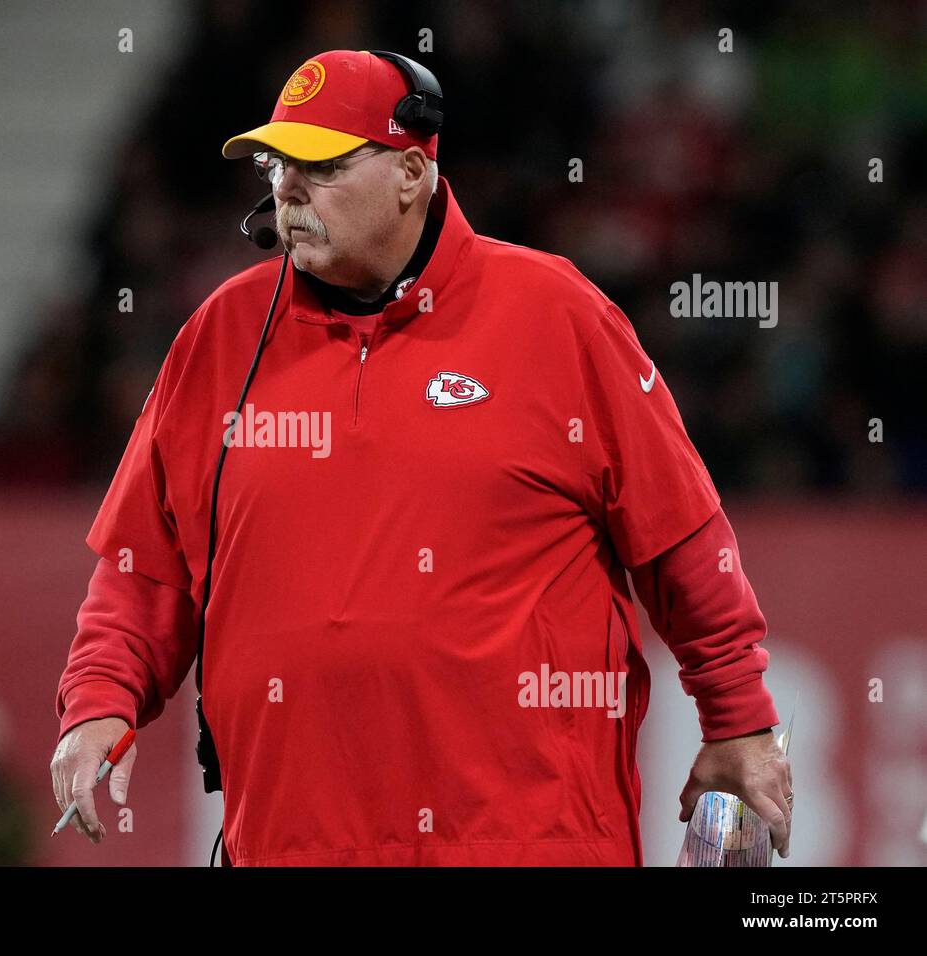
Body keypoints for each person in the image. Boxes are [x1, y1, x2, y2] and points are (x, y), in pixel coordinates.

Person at [50, 49, 791, 866]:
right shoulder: (222, 337)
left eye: (320, 165)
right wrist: (98, 702)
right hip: (293, 841)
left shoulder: (556, 315)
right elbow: (142, 565)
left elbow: (682, 537)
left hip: (522, 843)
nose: (288, 189)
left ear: (410, 172)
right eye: (277, 164)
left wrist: (741, 720)